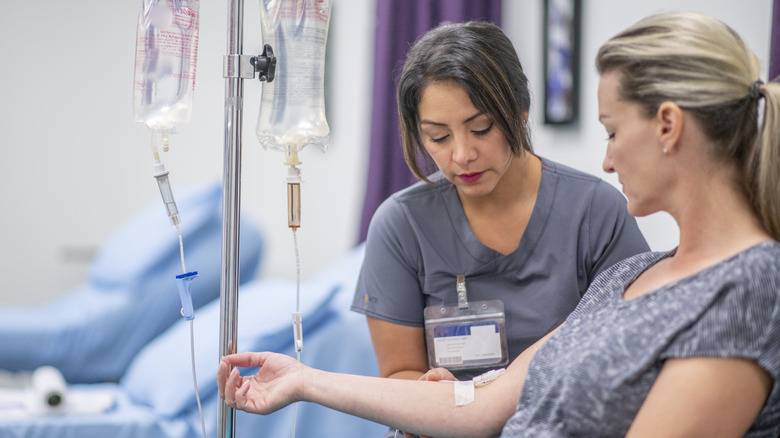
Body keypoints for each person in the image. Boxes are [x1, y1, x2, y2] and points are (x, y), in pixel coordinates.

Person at [218, 11, 780, 437]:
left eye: (610, 132)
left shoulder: (748, 285)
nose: (605, 161)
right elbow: (481, 404)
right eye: (438, 137)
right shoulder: (632, 275)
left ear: (668, 126)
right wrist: (304, 380)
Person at [350, 20, 647, 393]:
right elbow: (398, 376)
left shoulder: (596, 212)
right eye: (438, 136)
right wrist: (430, 389)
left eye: (482, 128)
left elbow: (633, 357)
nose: (462, 155)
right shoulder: (401, 225)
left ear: (520, 109)